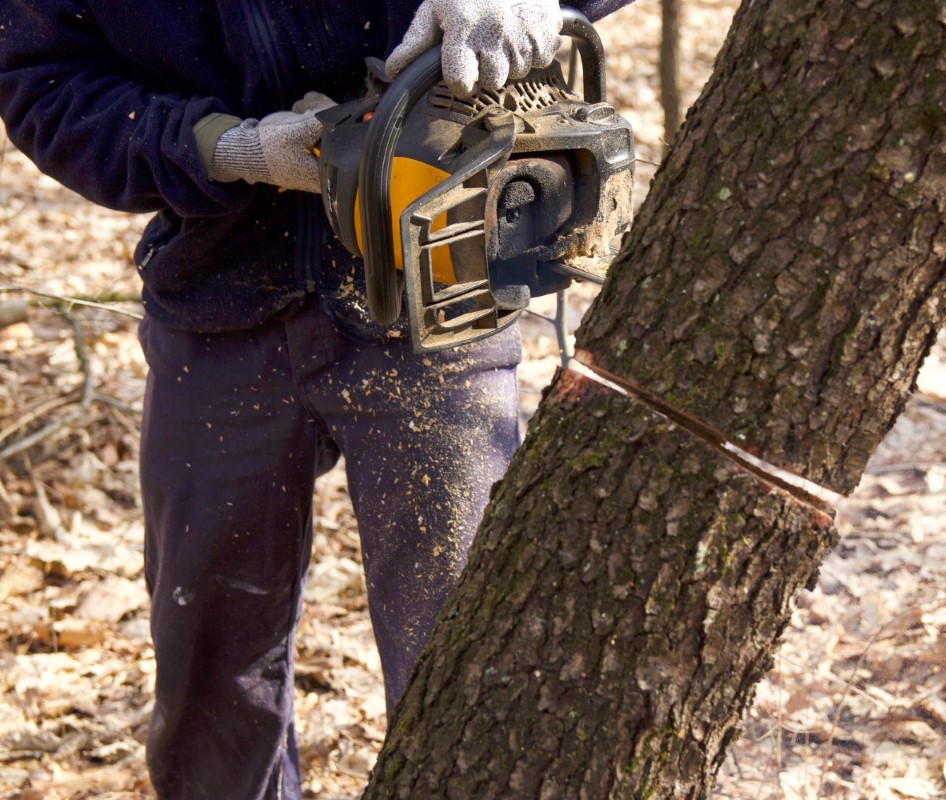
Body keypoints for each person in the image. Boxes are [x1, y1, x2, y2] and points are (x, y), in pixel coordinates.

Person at [0, 0, 631, 796]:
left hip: (440, 279)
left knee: (466, 644)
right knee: (208, 666)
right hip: (220, 292)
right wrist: (225, 149)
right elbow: (47, 81)